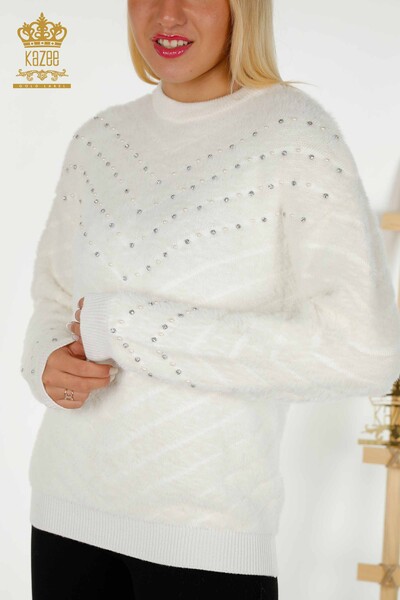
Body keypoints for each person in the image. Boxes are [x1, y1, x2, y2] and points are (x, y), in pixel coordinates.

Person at [21, 0, 400, 598]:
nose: (166, 15)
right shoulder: (98, 140)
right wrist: (45, 361)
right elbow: (53, 298)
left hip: (203, 542)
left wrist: (128, 328)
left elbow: (364, 350)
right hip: (65, 515)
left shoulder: (293, 134)